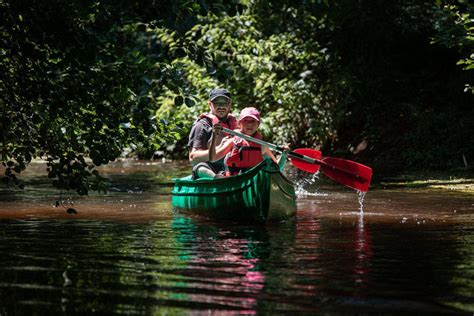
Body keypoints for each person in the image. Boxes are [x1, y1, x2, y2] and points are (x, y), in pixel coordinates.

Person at [209, 107, 288, 176]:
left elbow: (277, 168)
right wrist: (214, 136)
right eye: (246, 120)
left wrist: (284, 156)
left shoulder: (262, 145)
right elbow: (212, 158)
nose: (250, 124)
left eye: (253, 121)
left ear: (258, 124)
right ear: (239, 123)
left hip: (254, 183)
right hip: (234, 182)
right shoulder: (232, 142)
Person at [188, 88, 237, 179]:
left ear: (230, 104)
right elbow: (193, 158)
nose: (221, 107)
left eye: (224, 103)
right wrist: (221, 147)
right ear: (210, 104)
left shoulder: (235, 122)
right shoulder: (201, 125)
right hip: (211, 168)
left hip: (232, 165)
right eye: (217, 103)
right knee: (200, 168)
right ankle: (217, 178)